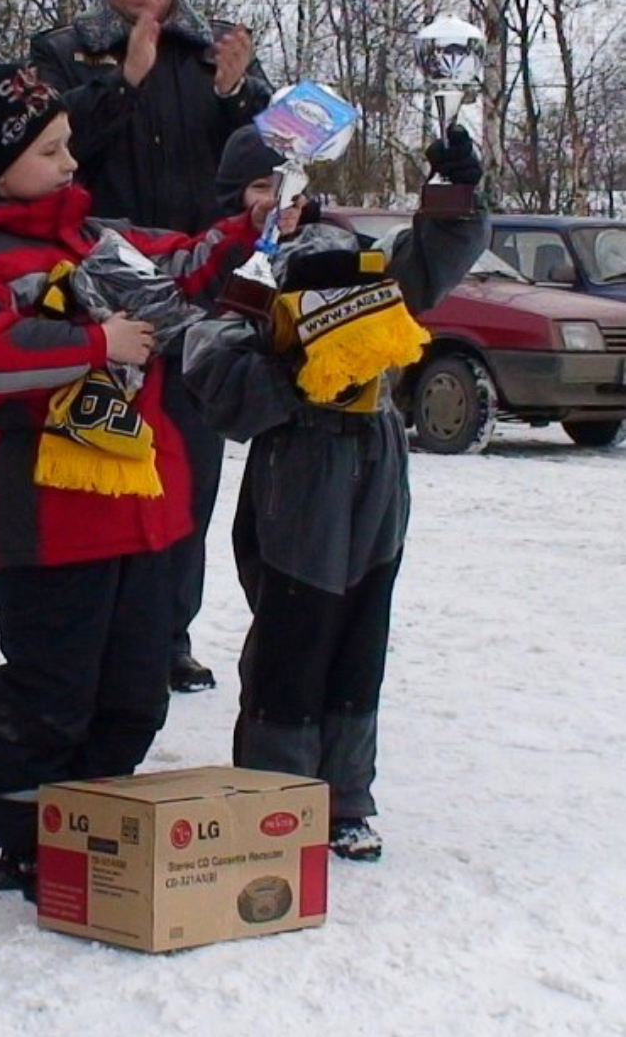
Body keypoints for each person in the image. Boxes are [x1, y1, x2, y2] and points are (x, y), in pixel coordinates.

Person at [0, 61, 259, 901]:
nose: (69, 164)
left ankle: (98, 811)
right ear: (0, 168)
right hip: (56, 522)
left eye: (69, 145)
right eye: (48, 151)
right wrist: (94, 345)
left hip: (146, 513)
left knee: (137, 686)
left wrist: (248, 224)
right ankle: (26, 838)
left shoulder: (96, 239)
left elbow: (182, 265)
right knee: (50, 691)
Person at [182, 122, 488, 860]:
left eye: (285, 184)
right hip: (300, 459)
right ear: (236, 197)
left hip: (376, 457)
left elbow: (432, 264)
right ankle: (278, 793)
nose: (276, 200)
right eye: (259, 186)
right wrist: (295, 372)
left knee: (362, 629)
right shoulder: (230, 268)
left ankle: (346, 793)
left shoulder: (348, 251)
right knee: (297, 629)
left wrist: (454, 191)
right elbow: (215, 380)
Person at [31, 0, 273, 694]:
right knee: (108, 456)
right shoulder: (65, 51)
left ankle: (168, 632)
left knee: (192, 469)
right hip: (107, 288)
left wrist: (241, 99)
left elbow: (264, 162)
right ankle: (108, 627)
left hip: (202, 284)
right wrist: (123, 83)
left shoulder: (218, 49)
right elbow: (43, 152)